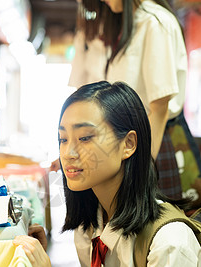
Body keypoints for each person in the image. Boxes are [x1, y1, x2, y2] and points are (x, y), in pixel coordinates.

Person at [13, 81, 201, 267]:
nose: (68, 153)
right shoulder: (90, 225)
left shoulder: (169, 244)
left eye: (85, 137)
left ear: (128, 144)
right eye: (63, 139)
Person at [69, 0, 201, 209]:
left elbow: (159, 108)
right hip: (116, 144)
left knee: (155, 227)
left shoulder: (154, 22)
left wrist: (140, 172)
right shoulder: (107, 23)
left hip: (154, 142)